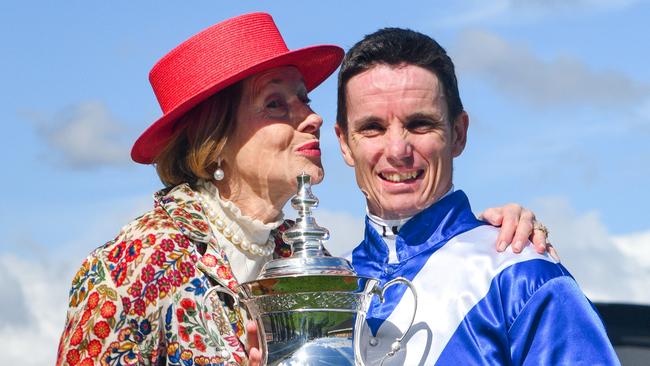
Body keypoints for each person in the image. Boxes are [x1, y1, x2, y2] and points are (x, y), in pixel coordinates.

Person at [56, 13, 551, 366]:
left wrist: (480, 240)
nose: (311, 116)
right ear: (217, 139)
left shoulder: (315, 261)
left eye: (304, 98)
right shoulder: (135, 264)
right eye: (276, 104)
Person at [334, 27, 618, 365]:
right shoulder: (324, 291)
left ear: (458, 134)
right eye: (373, 128)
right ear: (344, 143)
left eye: (420, 124)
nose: (397, 149)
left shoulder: (520, 274)